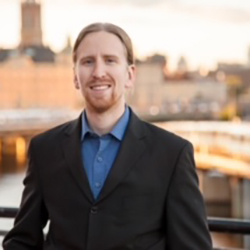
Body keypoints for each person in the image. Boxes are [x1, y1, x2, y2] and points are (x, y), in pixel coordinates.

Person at [3, 22, 212, 250]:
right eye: (88, 62)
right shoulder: (44, 149)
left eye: (110, 60)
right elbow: (22, 240)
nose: (98, 72)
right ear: (75, 77)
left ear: (130, 75)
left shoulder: (172, 154)